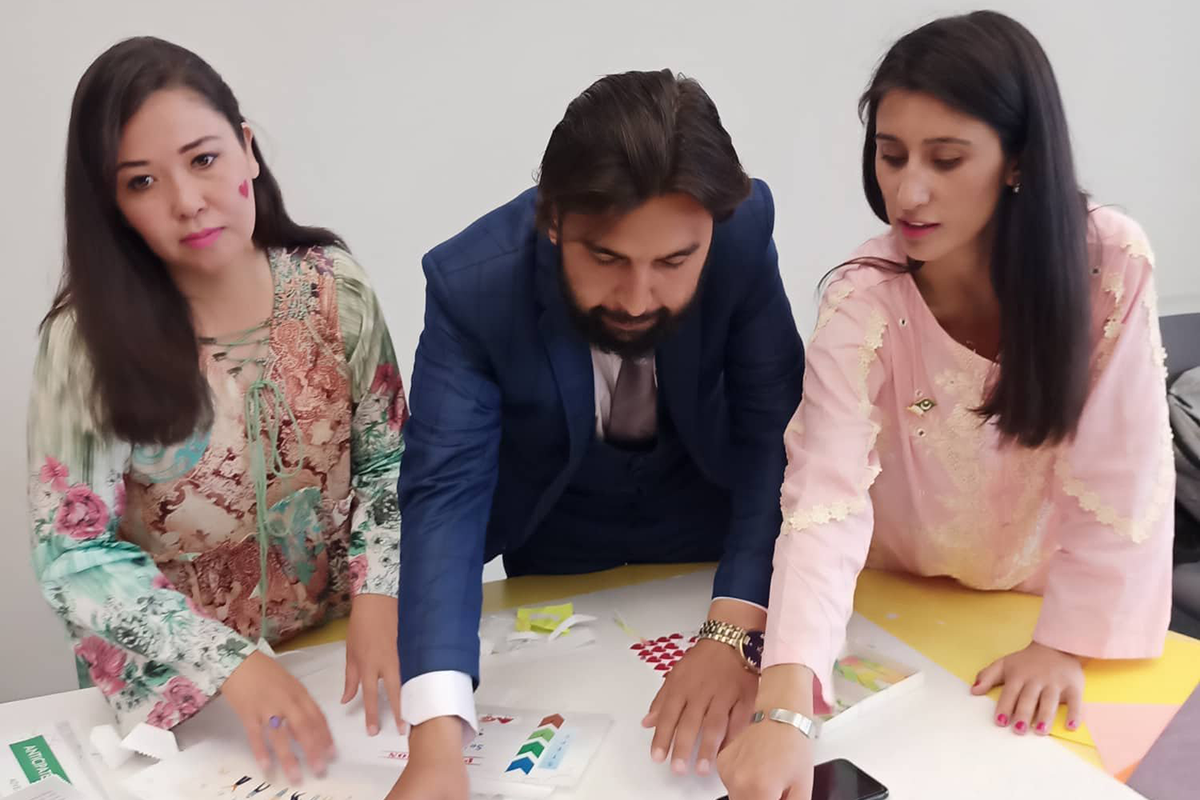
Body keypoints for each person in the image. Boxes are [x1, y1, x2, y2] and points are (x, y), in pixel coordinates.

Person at [717, 11, 1174, 799]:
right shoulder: (864, 298)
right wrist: (784, 711)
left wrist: (1064, 643)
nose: (909, 189)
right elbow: (824, 501)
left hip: (1042, 603)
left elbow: (1124, 466)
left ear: (1019, 160)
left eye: (947, 158)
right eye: (890, 157)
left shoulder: (1110, 266)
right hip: (897, 596)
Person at [387, 69, 804, 799]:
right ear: (553, 222)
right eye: (606, 259)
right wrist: (435, 747)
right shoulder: (471, 284)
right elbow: (444, 496)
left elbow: (778, 433)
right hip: (557, 546)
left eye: (675, 262)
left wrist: (734, 626)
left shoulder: (741, 235)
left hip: (712, 540)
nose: (639, 298)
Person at [27, 37, 408, 783]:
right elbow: (73, 554)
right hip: (181, 703)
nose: (186, 201)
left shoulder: (337, 288)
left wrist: (379, 597)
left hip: (334, 662)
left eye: (204, 160)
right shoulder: (86, 345)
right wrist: (231, 666)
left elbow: (389, 460)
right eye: (142, 182)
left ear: (247, 151)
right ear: (113, 204)